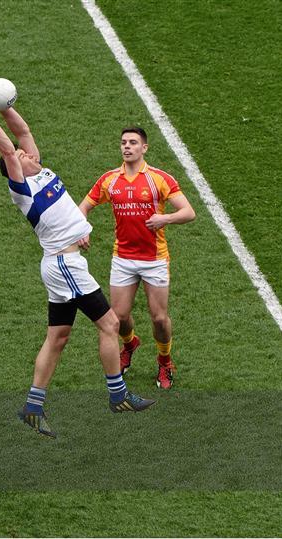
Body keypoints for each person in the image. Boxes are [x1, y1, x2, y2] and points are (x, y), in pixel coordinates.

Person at [0, 88, 155, 438]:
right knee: (109, 324)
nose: (28, 152)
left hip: (63, 262)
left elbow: (22, 134)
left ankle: (32, 407)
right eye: (23, 156)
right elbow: (9, 149)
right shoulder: (22, 188)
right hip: (65, 267)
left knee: (57, 337)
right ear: (17, 167)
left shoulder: (40, 171)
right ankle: (118, 396)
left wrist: (7, 107)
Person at [79, 127, 196, 389]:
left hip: (154, 259)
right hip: (123, 258)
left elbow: (189, 212)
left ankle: (165, 361)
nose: (127, 147)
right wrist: (81, 229)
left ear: (144, 148)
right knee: (118, 317)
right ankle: (130, 343)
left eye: (133, 142)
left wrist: (165, 218)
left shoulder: (159, 179)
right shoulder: (110, 180)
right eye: (123, 143)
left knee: (159, 318)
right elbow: (84, 206)